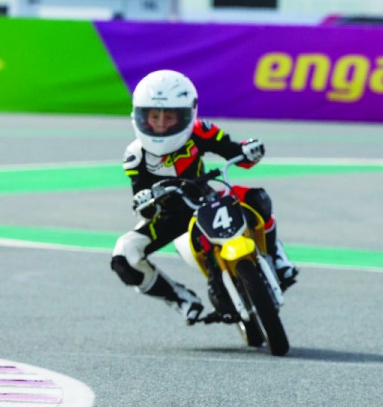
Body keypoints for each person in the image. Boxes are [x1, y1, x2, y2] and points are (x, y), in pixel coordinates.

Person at [110, 69, 299, 324]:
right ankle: (181, 299)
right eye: (155, 116)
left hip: (204, 200)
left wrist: (249, 150)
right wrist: (145, 202)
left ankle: (277, 259)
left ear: (187, 115)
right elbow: (144, 207)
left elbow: (235, 153)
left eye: (170, 116)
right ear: (141, 117)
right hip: (167, 217)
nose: (163, 123)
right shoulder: (135, 156)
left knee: (256, 198)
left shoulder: (201, 131)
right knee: (124, 255)